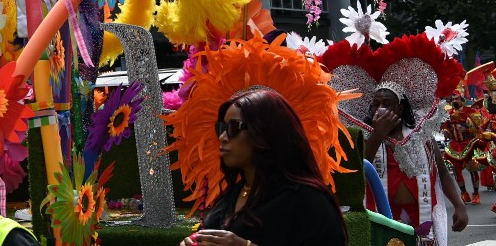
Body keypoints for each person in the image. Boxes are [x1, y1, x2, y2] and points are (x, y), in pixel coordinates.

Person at [179, 88, 347, 246]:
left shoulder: (308, 199)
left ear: (266, 132)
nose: (222, 137)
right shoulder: (232, 194)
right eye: (221, 128)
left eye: (233, 128)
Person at [364, 87, 469, 235]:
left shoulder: (421, 135)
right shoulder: (365, 136)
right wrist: (378, 134)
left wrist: (459, 205)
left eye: (386, 104)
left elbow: (443, 173)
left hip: (421, 217)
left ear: (400, 108)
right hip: (383, 219)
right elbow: (359, 168)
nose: (380, 109)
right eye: (376, 104)